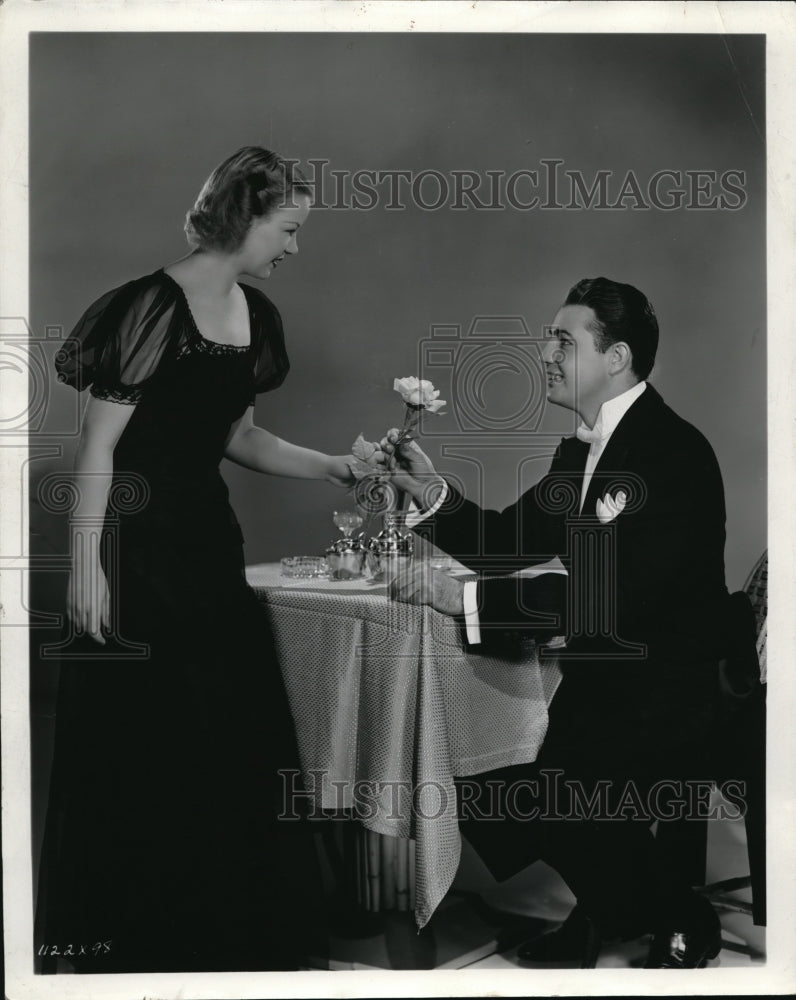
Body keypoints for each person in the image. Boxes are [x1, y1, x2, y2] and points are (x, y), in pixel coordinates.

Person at [37, 146, 363, 973]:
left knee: (227, 737)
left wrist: (331, 465)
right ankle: (141, 946)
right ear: (246, 217)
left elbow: (239, 436)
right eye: (287, 229)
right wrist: (86, 566)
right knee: (145, 744)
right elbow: (98, 449)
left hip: (208, 549)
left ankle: (229, 941)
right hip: (137, 551)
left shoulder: (258, 316)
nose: (293, 248)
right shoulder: (146, 308)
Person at [379, 277, 730, 968]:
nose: (545, 352)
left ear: (617, 358)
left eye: (564, 341)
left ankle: (673, 911)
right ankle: (614, 905)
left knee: (549, 785)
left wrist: (466, 602)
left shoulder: (673, 452)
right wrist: (428, 491)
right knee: (476, 762)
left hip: (675, 688)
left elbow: (612, 600)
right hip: (609, 678)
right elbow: (509, 539)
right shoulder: (581, 449)